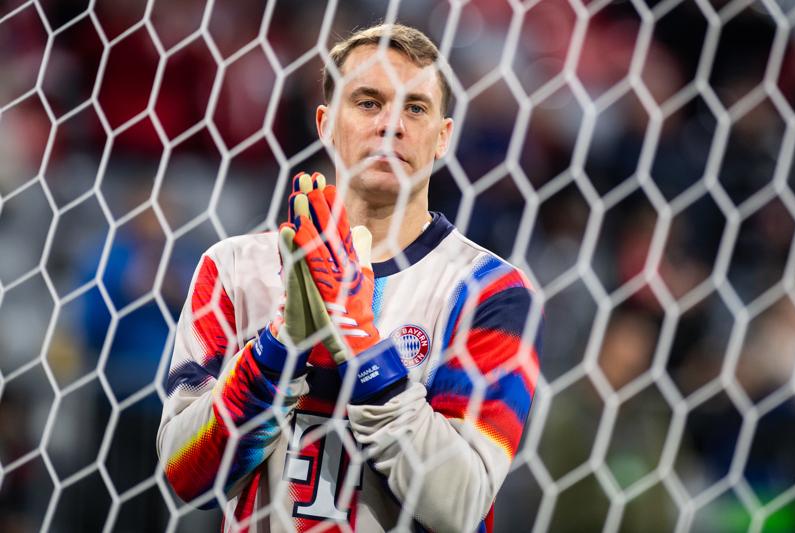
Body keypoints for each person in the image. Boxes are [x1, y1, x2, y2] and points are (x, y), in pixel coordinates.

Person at [157, 23, 542, 533]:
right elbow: (185, 477)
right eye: (368, 102)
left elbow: (460, 506)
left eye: (416, 108)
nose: (391, 124)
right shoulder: (233, 269)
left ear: (443, 137)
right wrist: (276, 352)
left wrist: (364, 349)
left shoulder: (490, 292)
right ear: (325, 123)